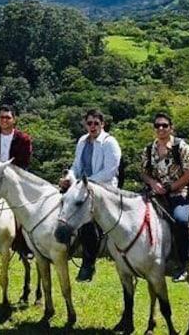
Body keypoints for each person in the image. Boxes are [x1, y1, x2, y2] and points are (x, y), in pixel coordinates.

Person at [58, 108, 122, 282]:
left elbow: (109, 171)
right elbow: (76, 167)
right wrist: (69, 178)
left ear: (102, 124)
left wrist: (85, 183)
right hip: (81, 186)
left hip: (103, 188)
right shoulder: (82, 141)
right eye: (89, 123)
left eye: (96, 123)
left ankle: (88, 263)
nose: (92, 127)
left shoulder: (110, 143)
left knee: (86, 217)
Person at [139, 112, 189, 282]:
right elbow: (143, 172)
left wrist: (170, 187)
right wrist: (152, 183)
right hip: (155, 193)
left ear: (171, 128)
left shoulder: (181, 148)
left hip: (179, 193)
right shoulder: (149, 150)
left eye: (164, 125)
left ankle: (183, 263)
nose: (161, 129)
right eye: (157, 126)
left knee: (180, 220)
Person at [0, 104, 33, 258]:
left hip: (16, 178)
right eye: (2, 117)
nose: (4, 120)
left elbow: (24, 163)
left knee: (22, 209)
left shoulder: (23, 139)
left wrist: (9, 175)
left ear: (14, 119)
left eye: (8, 117)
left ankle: (24, 244)